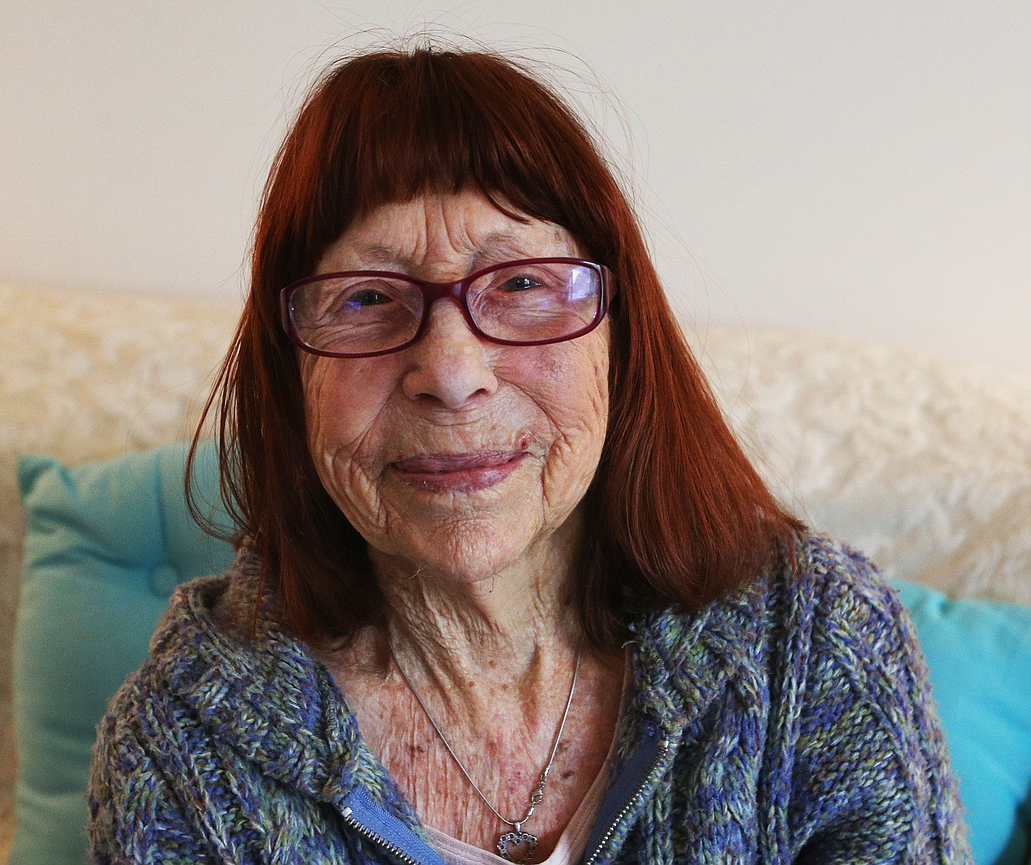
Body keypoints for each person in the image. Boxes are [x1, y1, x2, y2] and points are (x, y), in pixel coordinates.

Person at [88, 44, 970, 864]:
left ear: (620, 340)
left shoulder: (816, 645)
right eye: (364, 298)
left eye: (519, 283)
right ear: (291, 377)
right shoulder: (175, 757)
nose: (452, 372)